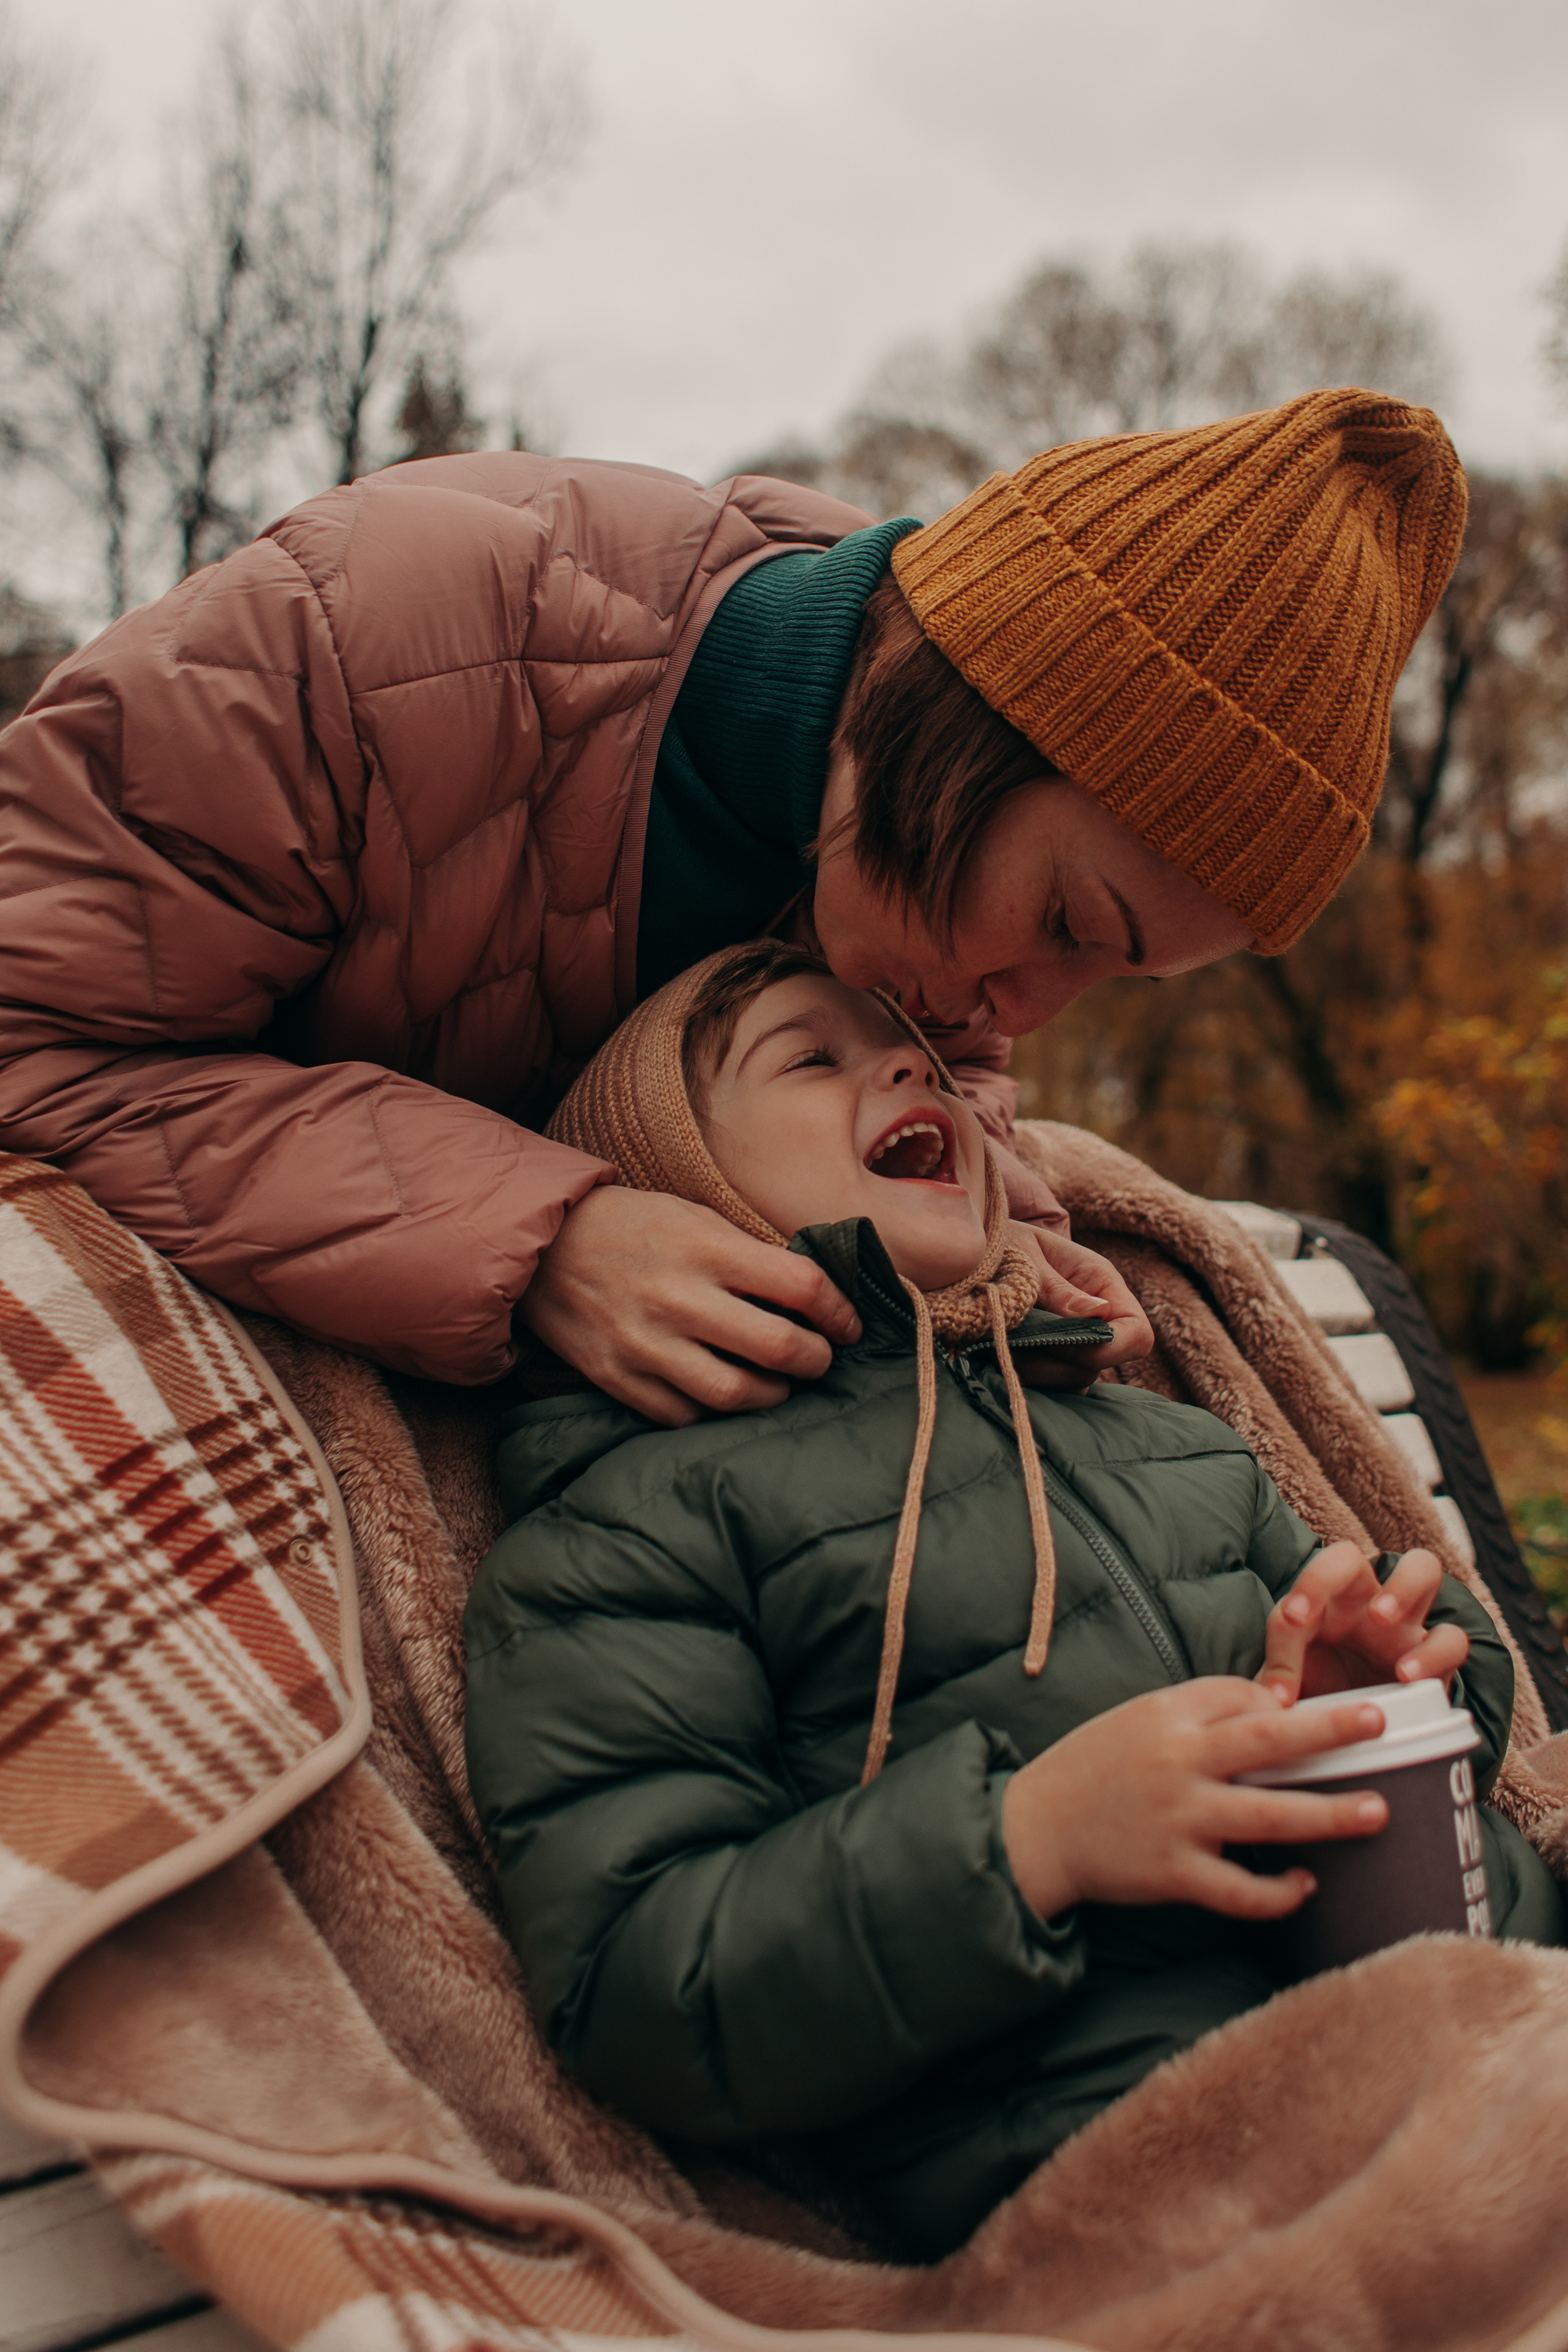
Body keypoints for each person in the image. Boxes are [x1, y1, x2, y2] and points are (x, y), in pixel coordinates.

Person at [0, 390, 1464, 1412]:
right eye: (1071, 927)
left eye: (1105, 983)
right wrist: (543, 1243)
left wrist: (985, 1215)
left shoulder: (903, 877)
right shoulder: (353, 641)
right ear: (952, 715)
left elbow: (951, 1063)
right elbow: (33, 1036)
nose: (1022, 1017)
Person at [463, 939, 1567, 2264]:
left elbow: (1445, 1709)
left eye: (921, 1060)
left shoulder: (1161, 1442)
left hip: (1490, 2030)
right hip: (1171, 2180)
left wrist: (1387, 1682)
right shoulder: (638, 1518)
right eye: (809, 1056)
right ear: (674, 1188)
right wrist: (1028, 1840)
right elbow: (641, 1981)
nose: (897, 1062)